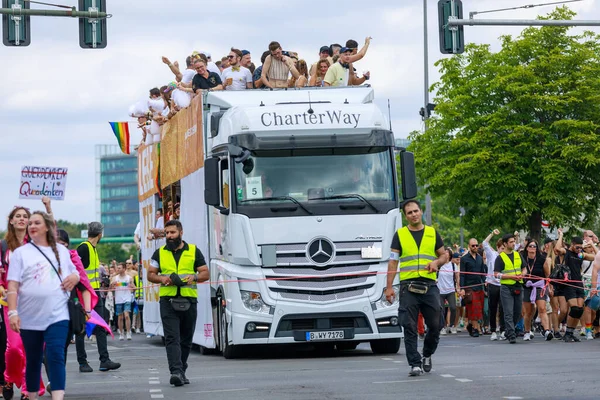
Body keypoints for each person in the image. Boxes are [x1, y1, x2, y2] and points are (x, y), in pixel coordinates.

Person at [7, 211, 80, 400]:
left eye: (36, 222)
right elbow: (12, 285)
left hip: (57, 314)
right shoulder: (20, 253)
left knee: (55, 355)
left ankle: (58, 397)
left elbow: (75, 273)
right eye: (30, 223)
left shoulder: (61, 251)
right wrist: (13, 312)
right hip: (29, 317)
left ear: (47, 226)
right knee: (33, 360)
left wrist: (74, 277)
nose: (31, 226)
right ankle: (31, 396)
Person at [385, 200, 447, 377]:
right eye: (410, 212)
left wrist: (436, 262)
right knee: (409, 326)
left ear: (421, 212)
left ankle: (427, 354)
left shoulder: (432, 233)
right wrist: (389, 287)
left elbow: (444, 255)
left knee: (436, 325)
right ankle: (414, 363)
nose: (413, 215)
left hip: (429, 285)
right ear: (406, 216)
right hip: (408, 286)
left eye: (416, 211)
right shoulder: (400, 234)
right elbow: (393, 261)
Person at [147, 220, 209, 387]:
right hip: (168, 301)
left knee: (186, 339)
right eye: (167, 233)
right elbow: (151, 275)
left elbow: (205, 273)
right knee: (172, 337)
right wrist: (162, 278)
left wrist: (194, 277)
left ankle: (181, 369)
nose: (169, 236)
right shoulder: (159, 253)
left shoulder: (194, 251)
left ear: (181, 232)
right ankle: (175, 371)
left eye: (172, 232)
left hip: (189, 299)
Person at [75, 222, 120, 372]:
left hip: (95, 293)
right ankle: (82, 362)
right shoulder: (84, 248)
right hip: (84, 294)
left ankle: (104, 360)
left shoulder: (92, 248)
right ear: (100, 234)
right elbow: (76, 271)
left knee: (101, 326)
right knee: (81, 329)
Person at [1, 206, 34, 400]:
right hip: (10, 303)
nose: (22, 219)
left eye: (25, 216)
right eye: (18, 216)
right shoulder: (3, 246)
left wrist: (48, 207)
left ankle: (26, 389)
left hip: (33, 304)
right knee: (14, 347)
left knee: (29, 347)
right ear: (11, 220)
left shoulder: (36, 244)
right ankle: (8, 376)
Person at [555, 228, 596, 342]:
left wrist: (592, 244)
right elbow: (557, 249)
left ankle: (570, 332)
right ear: (572, 245)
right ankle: (567, 333)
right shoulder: (566, 253)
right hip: (569, 284)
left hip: (579, 283)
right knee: (574, 309)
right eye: (577, 247)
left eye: (580, 247)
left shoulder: (580, 255)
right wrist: (561, 235)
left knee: (579, 310)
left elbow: (597, 257)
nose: (579, 250)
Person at [494, 233, 526, 344]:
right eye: (511, 242)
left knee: (518, 312)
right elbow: (496, 274)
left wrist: (522, 274)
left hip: (518, 286)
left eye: (514, 241)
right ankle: (511, 334)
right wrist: (510, 276)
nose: (513, 244)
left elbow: (524, 268)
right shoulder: (500, 258)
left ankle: (508, 330)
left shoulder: (518, 255)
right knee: (508, 312)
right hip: (506, 287)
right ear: (505, 244)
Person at [521, 238, 553, 341]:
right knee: (529, 312)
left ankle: (547, 330)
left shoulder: (541, 258)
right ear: (527, 248)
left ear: (537, 248)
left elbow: (547, 274)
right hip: (527, 286)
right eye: (530, 246)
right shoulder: (522, 257)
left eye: (534, 246)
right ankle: (527, 331)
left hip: (539, 285)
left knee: (542, 308)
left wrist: (549, 286)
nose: (532, 248)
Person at [459, 238, 486, 337]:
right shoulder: (464, 259)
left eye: (476, 245)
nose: (475, 247)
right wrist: (462, 288)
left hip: (479, 286)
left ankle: (472, 325)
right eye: (473, 245)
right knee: (473, 308)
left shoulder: (480, 258)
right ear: (469, 246)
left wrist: (485, 282)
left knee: (480, 309)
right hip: (469, 287)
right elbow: (462, 274)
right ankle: (475, 329)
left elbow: (482, 273)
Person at [482, 229, 505, 341]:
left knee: (503, 309)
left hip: (503, 285)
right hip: (492, 284)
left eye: (504, 249)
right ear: (497, 248)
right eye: (501, 249)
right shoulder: (492, 255)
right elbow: (484, 243)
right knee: (492, 308)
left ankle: (503, 330)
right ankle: (493, 330)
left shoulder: (507, 257)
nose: (503, 251)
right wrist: (491, 233)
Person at [110, 263, 135, 341]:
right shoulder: (115, 278)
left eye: (119, 268)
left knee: (127, 315)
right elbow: (110, 289)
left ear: (124, 269)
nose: (118, 269)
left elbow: (134, 288)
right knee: (120, 317)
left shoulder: (129, 278)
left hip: (127, 298)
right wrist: (112, 285)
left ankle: (128, 332)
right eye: (117, 268)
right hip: (118, 299)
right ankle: (121, 333)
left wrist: (132, 287)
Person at [438, 248, 459, 335]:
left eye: (447, 252)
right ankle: (442, 326)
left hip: (450, 290)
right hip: (440, 290)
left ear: (450, 255)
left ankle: (451, 325)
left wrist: (458, 287)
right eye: (444, 252)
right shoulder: (439, 265)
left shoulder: (453, 265)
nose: (446, 254)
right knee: (441, 309)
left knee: (453, 308)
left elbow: (457, 277)